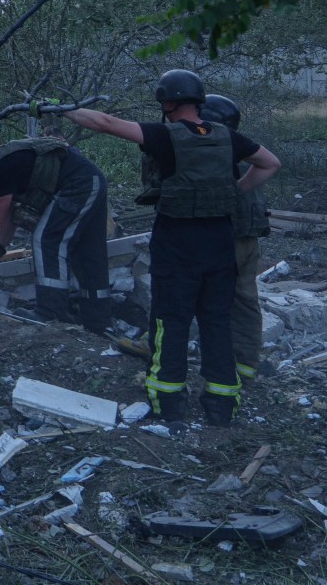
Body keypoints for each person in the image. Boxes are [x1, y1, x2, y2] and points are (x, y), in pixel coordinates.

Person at [65, 71, 281, 426]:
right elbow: (270, 163)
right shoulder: (229, 136)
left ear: (167, 103)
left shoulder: (164, 136)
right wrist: (234, 191)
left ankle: (170, 404)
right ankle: (221, 405)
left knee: (171, 323)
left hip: (178, 246)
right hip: (220, 245)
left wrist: (62, 110)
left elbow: (103, 122)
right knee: (216, 323)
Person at [0, 130, 114, 331]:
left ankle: (50, 311)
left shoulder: (1, 167)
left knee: (46, 239)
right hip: (90, 180)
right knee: (88, 250)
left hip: (79, 184)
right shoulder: (7, 165)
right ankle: (97, 320)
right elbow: (10, 220)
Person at [196, 94, 272, 384]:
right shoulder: (244, 149)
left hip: (230, 238)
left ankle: (231, 365)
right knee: (244, 299)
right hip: (247, 239)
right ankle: (245, 365)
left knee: (206, 296)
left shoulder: (219, 151)